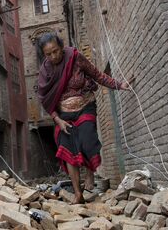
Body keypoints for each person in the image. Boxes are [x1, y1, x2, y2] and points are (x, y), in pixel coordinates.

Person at [36, 33, 130, 204]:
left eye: (56, 51)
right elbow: (44, 98)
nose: (53, 56)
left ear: (61, 47)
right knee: (67, 148)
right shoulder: (45, 71)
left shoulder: (75, 57)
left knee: (88, 140)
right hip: (63, 115)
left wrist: (118, 85)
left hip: (85, 105)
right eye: (48, 54)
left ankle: (90, 173)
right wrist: (57, 120)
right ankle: (78, 194)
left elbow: (97, 75)